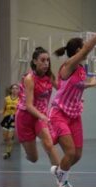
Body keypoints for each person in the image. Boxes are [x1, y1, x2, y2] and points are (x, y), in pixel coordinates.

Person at [49, 13, 96, 187]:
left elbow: (76, 86)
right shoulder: (67, 65)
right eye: (82, 48)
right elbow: (86, 50)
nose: (86, 50)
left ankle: (59, 170)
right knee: (69, 152)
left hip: (74, 115)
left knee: (77, 155)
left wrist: (89, 84)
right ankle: (62, 183)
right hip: (59, 113)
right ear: (77, 51)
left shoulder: (82, 70)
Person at [15, 46, 60, 175]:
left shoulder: (50, 77)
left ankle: (63, 180)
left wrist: (77, 93)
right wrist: (42, 116)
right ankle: (29, 154)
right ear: (35, 61)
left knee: (49, 144)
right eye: (42, 60)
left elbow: (62, 90)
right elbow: (29, 105)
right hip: (25, 118)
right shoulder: (29, 78)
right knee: (34, 158)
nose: (46, 63)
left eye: (48, 60)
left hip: (39, 118)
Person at [0, 84, 19, 159]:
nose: (15, 90)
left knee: (9, 137)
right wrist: (0, 112)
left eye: (16, 88)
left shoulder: (20, 99)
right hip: (6, 118)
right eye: (13, 88)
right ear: (11, 90)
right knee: (5, 137)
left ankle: (8, 152)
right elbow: (4, 109)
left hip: (14, 119)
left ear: (18, 90)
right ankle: (9, 142)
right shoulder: (6, 99)